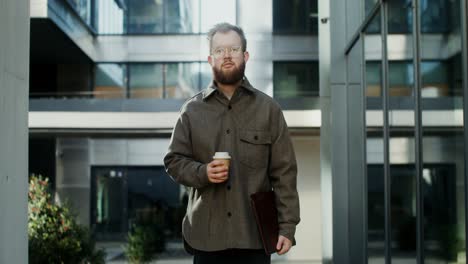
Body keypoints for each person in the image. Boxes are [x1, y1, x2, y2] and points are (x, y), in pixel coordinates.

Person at [164, 22, 300, 264]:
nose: (227, 56)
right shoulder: (191, 111)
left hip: (254, 238)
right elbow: (173, 161)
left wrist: (287, 227)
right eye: (219, 50)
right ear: (210, 59)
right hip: (206, 239)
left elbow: (284, 174)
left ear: (245, 55)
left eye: (234, 49)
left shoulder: (269, 110)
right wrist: (202, 172)